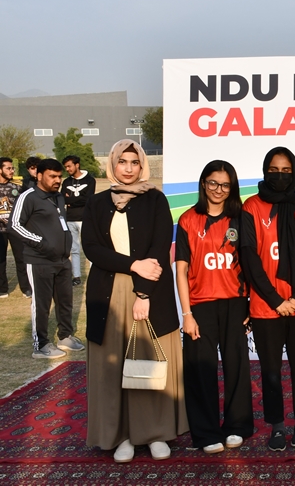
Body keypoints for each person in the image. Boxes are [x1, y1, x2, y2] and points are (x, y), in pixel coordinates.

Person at [82, 139, 188, 463]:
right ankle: (122, 435)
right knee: (114, 365)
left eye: (134, 162)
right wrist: (132, 265)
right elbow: (92, 248)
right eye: (122, 161)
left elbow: (159, 245)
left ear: (143, 165)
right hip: (109, 294)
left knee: (148, 363)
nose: (128, 168)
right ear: (112, 164)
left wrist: (143, 293)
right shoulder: (97, 202)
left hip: (149, 291)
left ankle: (155, 433)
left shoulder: (156, 199)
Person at [240, 147, 295, 452]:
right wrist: (275, 300)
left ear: (294, 173)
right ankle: (277, 426)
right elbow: (249, 258)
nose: (280, 175)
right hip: (265, 306)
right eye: (274, 170)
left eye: (286, 171)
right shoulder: (251, 206)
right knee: (270, 370)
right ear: (264, 171)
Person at [177, 160, 253, 454]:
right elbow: (181, 270)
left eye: (225, 185)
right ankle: (206, 432)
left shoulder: (241, 218)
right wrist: (187, 314)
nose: (218, 190)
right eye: (213, 183)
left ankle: (237, 426)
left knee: (236, 366)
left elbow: (251, 264)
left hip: (235, 302)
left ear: (232, 187)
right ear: (203, 183)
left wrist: (250, 305)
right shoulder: (188, 219)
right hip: (200, 305)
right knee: (200, 370)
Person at [10, 158, 83, 359]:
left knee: (65, 301)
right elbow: (14, 225)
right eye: (52, 176)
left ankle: (65, 336)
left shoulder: (58, 197)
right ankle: (40, 345)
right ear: (39, 176)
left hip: (62, 260)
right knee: (41, 305)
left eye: (59, 176)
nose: (57, 180)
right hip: (39, 260)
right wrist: (41, 243)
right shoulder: (28, 196)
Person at [61, 155, 97, 286]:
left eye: (69, 166)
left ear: (77, 165)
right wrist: (76, 200)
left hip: (85, 219)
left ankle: (94, 276)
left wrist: (71, 201)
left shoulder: (90, 180)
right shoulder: (66, 182)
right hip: (70, 219)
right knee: (74, 249)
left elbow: (89, 199)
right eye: (66, 167)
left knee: (90, 248)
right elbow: (63, 198)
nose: (67, 169)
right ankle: (76, 277)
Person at [0, 156, 32, 298]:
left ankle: (26, 288)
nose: (12, 170)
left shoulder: (18, 186)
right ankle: (2, 289)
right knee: (1, 260)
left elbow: (28, 201)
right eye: (8, 168)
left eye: (12, 168)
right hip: (0, 231)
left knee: (21, 258)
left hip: (15, 228)